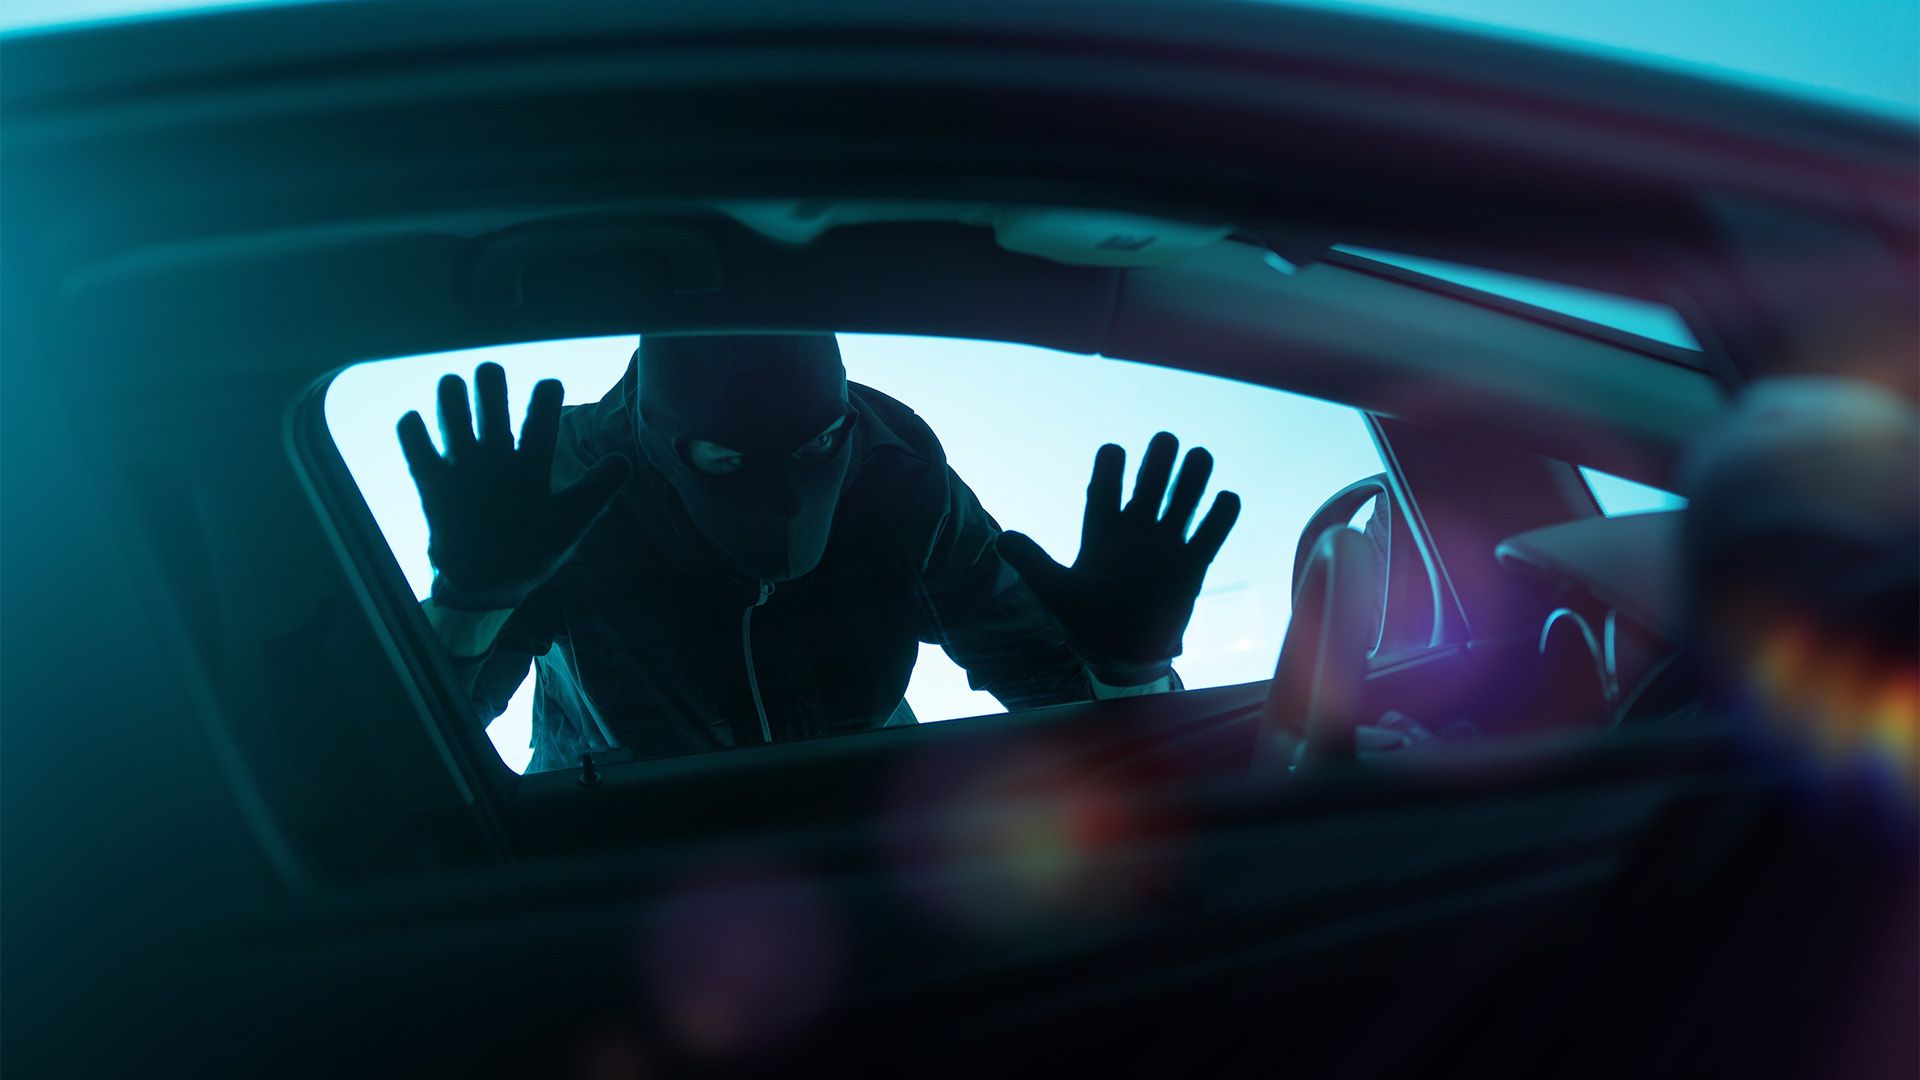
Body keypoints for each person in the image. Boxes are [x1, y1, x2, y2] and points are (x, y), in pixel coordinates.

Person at [397, 333, 1240, 771]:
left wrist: (1131, 669)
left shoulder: (900, 487)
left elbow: (1060, 701)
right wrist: (469, 599)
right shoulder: (565, 495)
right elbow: (428, 745)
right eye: (723, 460)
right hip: (618, 832)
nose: (785, 501)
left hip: (851, 823)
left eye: (815, 448)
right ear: (662, 441)